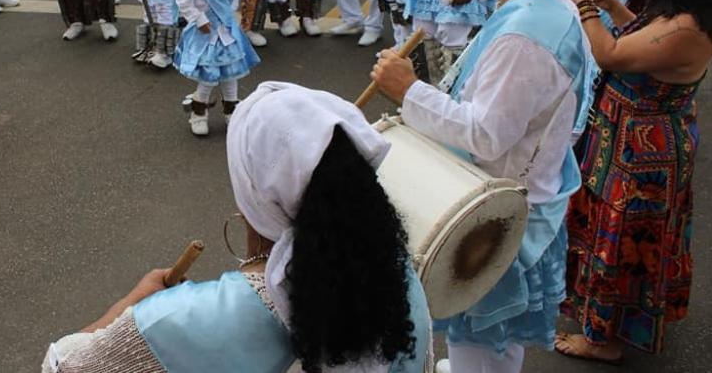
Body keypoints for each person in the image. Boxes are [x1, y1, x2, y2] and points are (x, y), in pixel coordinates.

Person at [42, 82, 431, 373]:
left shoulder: (191, 318)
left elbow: (63, 368)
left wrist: (131, 304)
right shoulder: (390, 266)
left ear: (254, 190)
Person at [373, 0, 594, 373]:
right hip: (514, 194)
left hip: (495, 214)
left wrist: (408, 90)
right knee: (496, 341)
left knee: (482, 342)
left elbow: (487, 134)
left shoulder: (526, 37)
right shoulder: (544, 7)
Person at [557, 0, 712, 364]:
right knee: (614, 237)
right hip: (629, 143)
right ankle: (604, 322)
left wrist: (585, 2)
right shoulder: (682, 15)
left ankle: (603, 339)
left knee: (621, 243)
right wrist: (614, 8)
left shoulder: (687, 28)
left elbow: (611, 54)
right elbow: (644, 42)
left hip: (641, 153)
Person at [174, 0, 285, 135]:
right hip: (206, 35)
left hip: (228, 34)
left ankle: (231, 113)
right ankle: (198, 114)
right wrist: (198, 19)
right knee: (209, 77)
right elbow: (182, 0)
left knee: (230, 75)